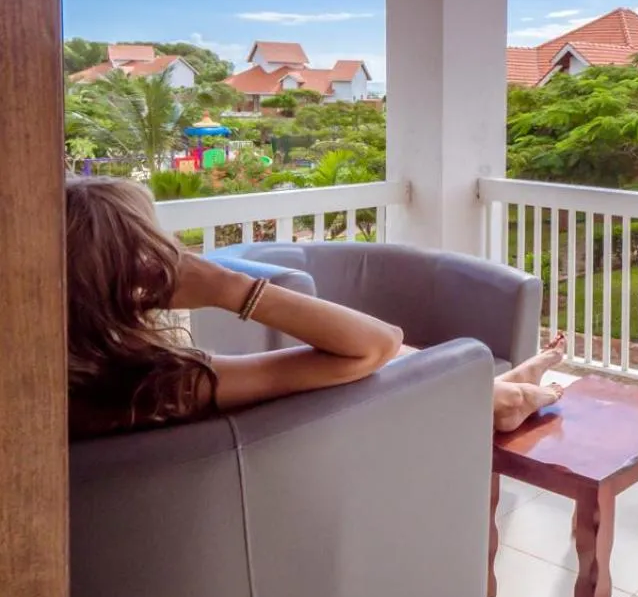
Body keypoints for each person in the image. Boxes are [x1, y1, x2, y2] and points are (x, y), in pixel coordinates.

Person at [65, 175, 564, 439]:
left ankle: (495, 391)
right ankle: (498, 397)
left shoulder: (71, 388)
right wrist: (226, 286)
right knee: (368, 370)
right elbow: (376, 344)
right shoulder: (157, 387)